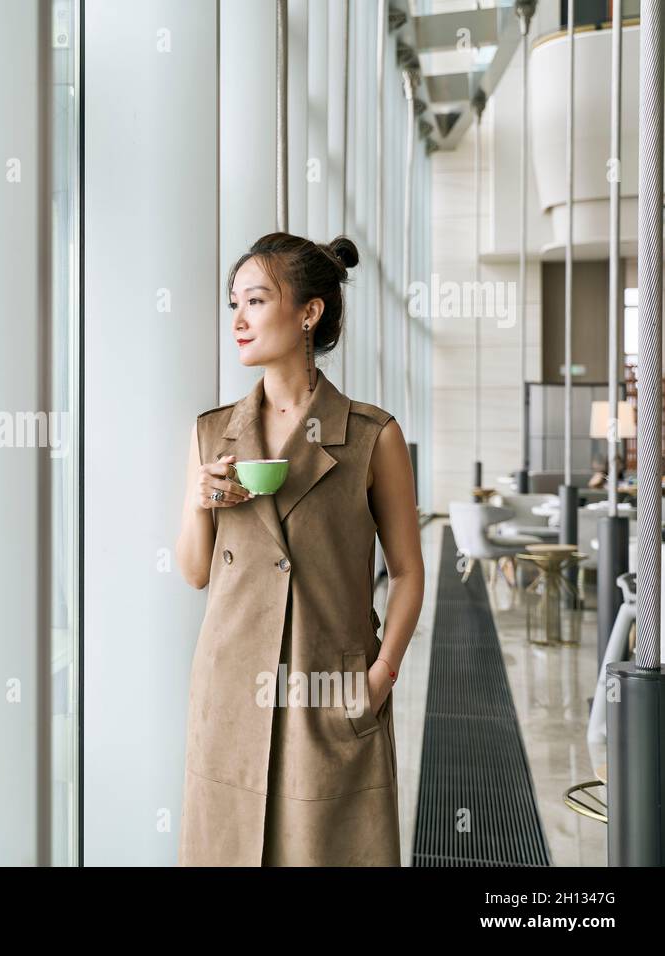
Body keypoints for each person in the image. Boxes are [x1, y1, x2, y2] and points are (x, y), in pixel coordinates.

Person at [175, 231, 424, 866]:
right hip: (231, 689)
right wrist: (197, 498)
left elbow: (407, 573)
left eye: (256, 301)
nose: (238, 320)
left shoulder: (372, 436)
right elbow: (194, 572)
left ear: (308, 312)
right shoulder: (213, 433)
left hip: (329, 689)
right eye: (233, 303)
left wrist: (380, 677)